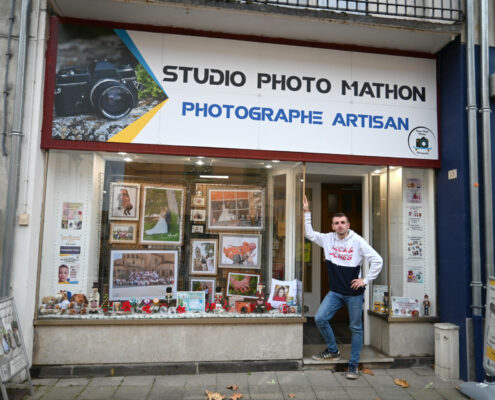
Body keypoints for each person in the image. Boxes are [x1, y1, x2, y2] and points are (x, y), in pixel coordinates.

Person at [303, 195, 382, 380]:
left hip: (354, 294)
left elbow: (377, 259)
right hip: (335, 292)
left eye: (343, 222)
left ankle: (353, 365)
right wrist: (307, 212)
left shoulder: (358, 241)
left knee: (356, 328)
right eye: (336, 223)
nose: (339, 225)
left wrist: (366, 279)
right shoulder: (328, 239)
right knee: (320, 318)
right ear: (332, 226)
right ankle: (333, 350)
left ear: (348, 225)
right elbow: (310, 234)